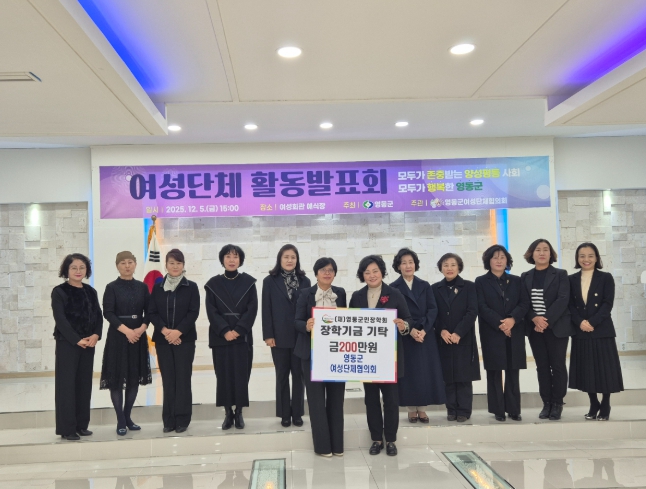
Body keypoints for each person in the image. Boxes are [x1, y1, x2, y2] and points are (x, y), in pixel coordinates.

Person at [349, 255, 412, 457]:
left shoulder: (394, 293)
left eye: (375, 271)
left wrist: (403, 325)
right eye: (367, 272)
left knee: (391, 400)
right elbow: (350, 325)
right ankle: (376, 439)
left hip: (389, 358)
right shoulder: (357, 296)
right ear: (362, 275)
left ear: (382, 272)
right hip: (367, 359)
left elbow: (408, 318)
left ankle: (391, 439)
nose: (372, 275)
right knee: (371, 400)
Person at [294, 257, 347, 457]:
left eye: (331, 270)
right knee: (316, 402)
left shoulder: (340, 293)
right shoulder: (305, 293)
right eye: (323, 270)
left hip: (336, 354)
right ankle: (323, 447)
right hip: (311, 355)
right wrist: (306, 326)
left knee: (336, 400)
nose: (327, 273)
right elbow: (296, 321)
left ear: (335, 274)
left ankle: (338, 445)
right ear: (316, 273)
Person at [205, 244, 258, 430]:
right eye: (228, 256)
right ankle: (228, 412)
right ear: (222, 260)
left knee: (242, 376)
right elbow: (211, 311)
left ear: (240, 260)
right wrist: (225, 330)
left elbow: (252, 309)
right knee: (223, 376)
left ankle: (240, 412)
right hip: (220, 337)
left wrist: (239, 330)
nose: (232, 260)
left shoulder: (249, 283)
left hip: (242, 337)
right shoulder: (213, 284)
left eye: (235, 256)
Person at [568, 242, 623, 420]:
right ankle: (593, 403)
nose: (586, 259)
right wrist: (580, 322)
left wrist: (591, 322)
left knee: (605, 369)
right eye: (582, 256)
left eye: (590, 256)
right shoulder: (571, 279)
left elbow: (607, 304)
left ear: (597, 258)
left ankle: (605, 403)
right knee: (587, 370)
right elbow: (570, 306)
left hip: (602, 330)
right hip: (580, 331)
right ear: (577, 258)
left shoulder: (606, 278)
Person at [389, 248, 445, 423]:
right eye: (404, 263)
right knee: (409, 374)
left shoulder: (425, 285)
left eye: (411, 262)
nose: (408, 266)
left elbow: (433, 309)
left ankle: (422, 409)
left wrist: (424, 330)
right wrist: (411, 330)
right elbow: (394, 313)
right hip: (406, 335)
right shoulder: (393, 287)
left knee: (425, 373)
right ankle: (411, 410)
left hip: (425, 335)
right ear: (398, 266)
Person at [51, 253, 103, 441]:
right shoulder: (59, 292)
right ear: (66, 270)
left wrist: (96, 335)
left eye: (82, 267)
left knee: (84, 385)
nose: (78, 271)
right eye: (74, 268)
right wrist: (76, 339)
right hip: (68, 344)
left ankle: (81, 425)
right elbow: (60, 320)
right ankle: (67, 429)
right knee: (67, 386)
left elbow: (98, 316)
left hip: (89, 344)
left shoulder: (91, 291)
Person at [475, 245, 530, 422]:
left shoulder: (517, 280)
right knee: (494, 372)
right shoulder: (481, 281)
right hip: (492, 331)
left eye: (502, 257)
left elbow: (524, 303)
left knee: (513, 371)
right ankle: (498, 409)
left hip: (515, 330)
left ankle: (514, 409)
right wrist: (501, 324)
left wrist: (512, 320)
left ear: (507, 261)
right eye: (495, 257)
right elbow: (481, 306)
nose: (499, 261)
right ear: (488, 261)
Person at [148, 249, 200, 433]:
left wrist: (178, 332)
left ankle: (183, 419)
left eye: (178, 263)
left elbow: (193, 312)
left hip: (185, 340)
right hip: (163, 341)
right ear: (166, 265)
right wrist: (165, 331)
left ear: (183, 265)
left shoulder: (191, 287)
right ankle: (169, 420)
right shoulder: (158, 287)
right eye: (172, 263)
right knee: (168, 379)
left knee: (183, 379)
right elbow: (152, 312)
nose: (175, 266)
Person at [100, 251, 152, 435]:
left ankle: (128, 416)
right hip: (118, 336)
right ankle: (120, 420)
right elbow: (108, 312)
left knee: (133, 378)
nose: (127, 266)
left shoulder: (142, 287)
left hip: (137, 336)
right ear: (117, 266)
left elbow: (150, 311)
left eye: (130, 262)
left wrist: (141, 329)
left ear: (135, 264)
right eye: (123, 263)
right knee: (116, 379)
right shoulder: (111, 287)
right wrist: (127, 331)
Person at [521, 239, 573, 421]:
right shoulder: (525, 276)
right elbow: (523, 302)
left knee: (557, 365)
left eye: (545, 250)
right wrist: (534, 318)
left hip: (557, 327)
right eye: (538, 250)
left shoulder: (560, 274)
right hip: (535, 328)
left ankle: (557, 403)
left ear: (551, 254)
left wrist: (546, 320)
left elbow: (563, 299)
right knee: (542, 366)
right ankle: (547, 403)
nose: (542, 253)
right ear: (532, 253)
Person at [262, 244, 311, 427]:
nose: (290, 260)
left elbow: (308, 308)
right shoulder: (269, 281)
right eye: (286, 257)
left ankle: (297, 413)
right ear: (280, 259)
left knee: (299, 376)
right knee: (282, 375)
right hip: (278, 336)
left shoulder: (305, 281)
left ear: (297, 260)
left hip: (300, 336)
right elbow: (266, 309)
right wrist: (268, 335)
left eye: (293, 257)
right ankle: (284, 414)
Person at [432, 253, 480, 423]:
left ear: (459, 267)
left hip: (463, 338)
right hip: (444, 339)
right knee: (448, 377)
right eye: (445, 265)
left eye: (453, 265)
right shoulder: (434, 288)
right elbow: (433, 313)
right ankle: (451, 409)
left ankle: (464, 410)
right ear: (441, 268)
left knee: (463, 376)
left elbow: (472, 311)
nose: (449, 268)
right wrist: (442, 330)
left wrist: (459, 332)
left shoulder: (469, 286)